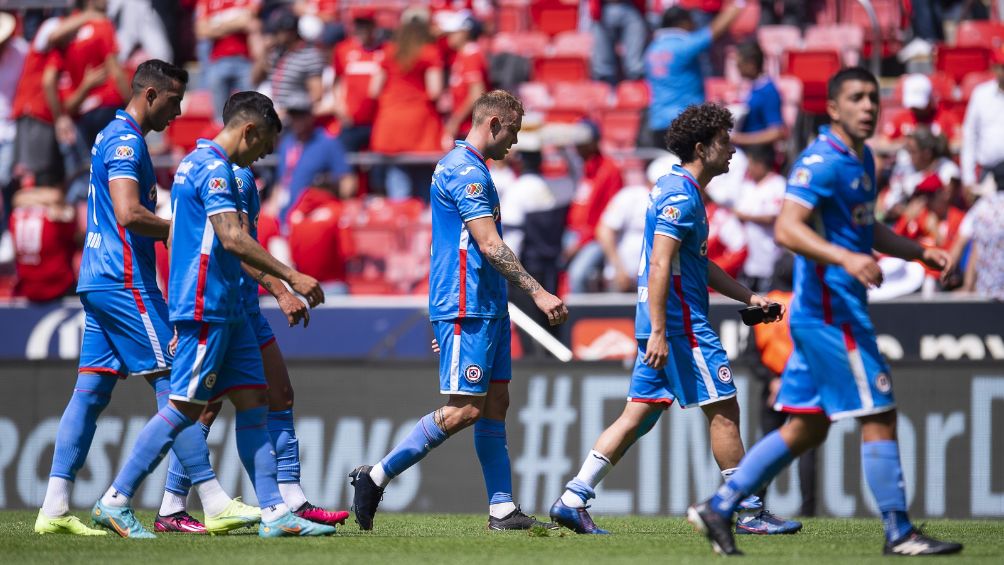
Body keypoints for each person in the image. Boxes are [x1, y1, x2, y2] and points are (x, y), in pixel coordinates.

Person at [688, 68, 962, 557]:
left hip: (827, 315)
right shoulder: (820, 161)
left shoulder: (863, 159)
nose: (869, 107)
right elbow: (787, 230)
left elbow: (866, 228)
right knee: (880, 413)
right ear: (833, 107)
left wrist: (919, 252)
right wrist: (846, 259)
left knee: (805, 427)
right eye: (857, 98)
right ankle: (899, 532)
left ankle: (721, 506)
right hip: (832, 316)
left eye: (874, 98)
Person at [548, 103, 800, 537]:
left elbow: (699, 265)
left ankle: (573, 497)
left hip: (664, 323)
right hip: (679, 327)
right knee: (724, 409)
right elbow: (661, 264)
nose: (732, 151)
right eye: (724, 143)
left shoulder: (674, 187)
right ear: (702, 148)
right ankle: (749, 511)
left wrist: (750, 295)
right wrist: (662, 332)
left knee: (638, 414)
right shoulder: (682, 196)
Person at [91, 91, 330, 539]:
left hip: (229, 309)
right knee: (184, 408)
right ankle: (115, 499)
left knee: (253, 404)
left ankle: (276, 512)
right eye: (262, 147)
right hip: (205, 305)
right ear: (250, 131)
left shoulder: (200, 164)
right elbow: (231, 237)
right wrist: (290, 277)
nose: (261, 157)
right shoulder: (213, 168)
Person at [33, 60, 250, 537]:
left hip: (98, 277)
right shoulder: (128, 141)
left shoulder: (112, 136)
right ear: (150, 95)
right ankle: (212, 500)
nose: (178, 111)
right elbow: (129, 213)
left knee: (90, 393)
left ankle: (53, 506)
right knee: (177, 381)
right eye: (173, 101)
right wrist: (180, 228)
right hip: (124, 278)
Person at [348, 90, 568, 531]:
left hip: (482, 304)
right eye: (513, 132)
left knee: (495, 403)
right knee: (466, 409)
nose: (515, 143)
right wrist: (539, 292)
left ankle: (502, 508)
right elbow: (487, 244)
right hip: (467, 303)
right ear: (493, 125)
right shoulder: (466, 172)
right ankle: (375, 475)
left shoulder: (466, 168)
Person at [157, 164, 349, 532]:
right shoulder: (236, 179)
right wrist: (282, 290)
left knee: (274, 395)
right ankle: (167, 504)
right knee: (204, 408)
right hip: (230, 310)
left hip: (238, 309)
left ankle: (289, 500)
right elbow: (237, 246)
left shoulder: (207, 173)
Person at [643, 2, 742, 146]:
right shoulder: (683, 45)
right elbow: (714, 31)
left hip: (658, 124)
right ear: (683, 23)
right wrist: (739, 4)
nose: (694, 25)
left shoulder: (651, 50)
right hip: (686, 125)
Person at [368, 11, 443, 199]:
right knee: (424, 186)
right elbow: (435, 91)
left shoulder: (388, 52)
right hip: (419, 125)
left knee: (398, 186)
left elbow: (373, 90)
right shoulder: (429, 52)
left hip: (390, 124)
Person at [47, 0, 131, 147]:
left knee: (90, 168)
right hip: (109, 108)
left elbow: (65, 101)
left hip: (83, 117)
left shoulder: (66, 37)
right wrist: (133, 107)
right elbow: (116, 72)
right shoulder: (102, 25)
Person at [565, 120, 624, 293]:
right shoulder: (583, 168)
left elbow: (609, 215)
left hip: (595, 238)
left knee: (577, 275)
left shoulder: (609, 169)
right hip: (574, 234)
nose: (577, 148)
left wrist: (580, 241)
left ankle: (576, 319)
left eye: (582, 143)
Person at [273, 98, 353, 224]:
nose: (297, 120)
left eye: (301, 115)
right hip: (285, 219)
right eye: (293, 116)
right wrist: (273, 209)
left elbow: (347, 182)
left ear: (310, 116)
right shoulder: (286, 143)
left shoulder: (327, 143)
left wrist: (330, 208)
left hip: (312, 220)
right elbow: (280, 183)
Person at [195, 0, 262, 119]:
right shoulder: (207, 1)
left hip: (246, 61)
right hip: (217, 62)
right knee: (219, 119)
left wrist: (216, 24)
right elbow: (201, 31)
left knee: (251, 114)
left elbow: (248, 20)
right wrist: (236, 22)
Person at [254, 8, 325, 114]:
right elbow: (255, 79)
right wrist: (265, 51)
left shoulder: (309, 55)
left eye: (278, 32)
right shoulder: (277, 52)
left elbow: (316, 95)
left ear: (290, 32)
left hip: (296, 116)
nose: (275, 36)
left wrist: (291, 112)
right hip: (275, 114)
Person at [330, 9, 383, 152]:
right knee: (347, 167)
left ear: (373, 26)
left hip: (377, 121)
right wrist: (340, 106)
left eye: (365, 24)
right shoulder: (343, 49)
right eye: (358, 25)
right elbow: (336, 81)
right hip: (351, 122)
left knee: (376, 170)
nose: (362, 29)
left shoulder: (385, 51)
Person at [734, 144, 785, 292]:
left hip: (770, 257)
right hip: (747, 260)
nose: (749, 168)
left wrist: (746, 216)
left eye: (751, 164)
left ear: (760, 163)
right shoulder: (747, 186)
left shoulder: (778, 184)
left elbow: (772, 217)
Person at [874, 74, 961, 154]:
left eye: (919, 106)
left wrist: (936, 146)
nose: (916, 110)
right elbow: (882, 143)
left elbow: (961, 142)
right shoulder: (902, 118)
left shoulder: (946, 117)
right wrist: (903, 144)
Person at [438, 10, 488, 147]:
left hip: (470, 130)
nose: (449, 37)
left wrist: (455, 121)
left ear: (465, 32)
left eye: (453, 32)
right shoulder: (462, 55)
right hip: (467, 129)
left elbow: (477, 94)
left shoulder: (471, 55)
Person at [960, 46, 1004, 200]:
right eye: (1002, 67)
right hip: (988, 173)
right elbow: (970, 136)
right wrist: (968, 178)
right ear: (995, 68)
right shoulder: (981, 95)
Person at [730, 41, 785, 148]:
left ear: (751, 64)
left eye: (739, 64)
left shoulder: (768, 91)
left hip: (757, 155)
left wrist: (738, 138)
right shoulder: (752, 87)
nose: (737, 68)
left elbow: (777, 132)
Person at [588, 0, 648, 85]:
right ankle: (605, 94)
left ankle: (636, 94)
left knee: (635, 67)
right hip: (604, 8)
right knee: (602, 68)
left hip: (630, 7)